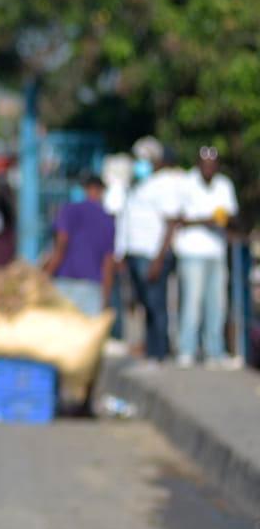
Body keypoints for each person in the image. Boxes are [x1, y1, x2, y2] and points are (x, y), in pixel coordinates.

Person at [114, 138, 182, 362]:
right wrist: (121, 253)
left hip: (152, 256)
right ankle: (150, 350)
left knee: (157, 306)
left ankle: (159, 353)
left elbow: (171, 223)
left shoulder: (164, 185)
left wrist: (158, 259)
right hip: (135, 254)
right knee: (145, 306)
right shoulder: (135, 187)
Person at [173, 146, 241, 369]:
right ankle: (187, 349)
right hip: (192, 252)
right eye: (205, 164)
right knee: (192, 303)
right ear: (198, 164)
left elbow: (231, 215)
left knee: (217, 304)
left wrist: (222, 220)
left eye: (213, 164)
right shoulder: (186, 184)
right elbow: (180, 219)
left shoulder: (224, 185)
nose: (209, 168)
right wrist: (207, 221)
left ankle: (214, 351)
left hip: (216, 252)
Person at [45, 176, 117, 316]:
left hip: (64, 284)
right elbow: (108, 263)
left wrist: (45, 276)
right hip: (92, 288)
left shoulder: (69, 210)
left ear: (84, 189)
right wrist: (106, 299)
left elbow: (60, 246)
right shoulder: (108, 220)